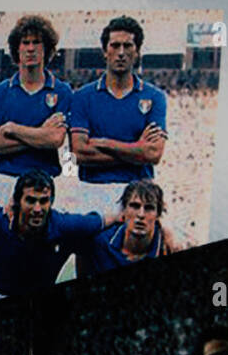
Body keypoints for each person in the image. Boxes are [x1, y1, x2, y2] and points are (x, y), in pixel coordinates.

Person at [0, 169, 109, 300]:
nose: (37, 209)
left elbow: (105, 221)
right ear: (17, 201)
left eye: (43, 201)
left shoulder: (65, 225)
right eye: (30, 200)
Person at [68, 15, 168, 222]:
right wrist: (136, 148)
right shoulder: (82, 97)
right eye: (115, 46)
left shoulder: (155, 97)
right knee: (88, 252)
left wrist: (105, 143)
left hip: (138, 194)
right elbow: (78, 154)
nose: (121, 53)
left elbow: (154, 154)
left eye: (128, 46)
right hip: (91, 190)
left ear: (137, 52)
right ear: (105, 51)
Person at [0, 15, 70, 208]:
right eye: (25, 43)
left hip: (46, 181)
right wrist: (40, 134)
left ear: (46, 48)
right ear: (17, 49)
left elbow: (55, 140)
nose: (31, 48)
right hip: (6, 180)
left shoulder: (61, 91)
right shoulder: (0, 92)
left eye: (37, 42)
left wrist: (14, 129)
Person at [81, 181, 180, 273]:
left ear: (157, 215)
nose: (141, 215)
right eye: (135, 206)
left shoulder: (168, 248)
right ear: (123, 210)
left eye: (149, 208)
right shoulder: (101, 242)